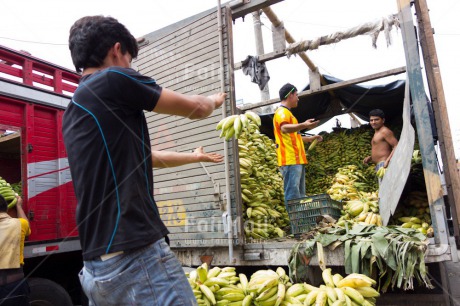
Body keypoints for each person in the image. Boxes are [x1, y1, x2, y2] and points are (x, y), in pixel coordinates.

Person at [62, 16, 226, 306]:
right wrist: (214, 99)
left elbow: (149, 159)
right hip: (134, 258)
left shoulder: (76, 109)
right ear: (116, 50)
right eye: (128, 58)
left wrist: (195, 156)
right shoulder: (112, 79)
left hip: (97, 269)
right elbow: (196, 109)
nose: (130, 68)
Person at [273, 83, 322, 203]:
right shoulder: (282, 113)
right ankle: (295, 221)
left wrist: (310, 139)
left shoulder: (289, 114)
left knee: (299, 196)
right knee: (293, 195)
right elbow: (284, 128)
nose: (298, 98)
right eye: (296, 95)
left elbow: (294, 136)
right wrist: (304, 124)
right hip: (290, 160)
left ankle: (300, 221)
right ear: (290, 95)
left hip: (296, 160)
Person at [0, 195, 31, 306]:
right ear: (7, 209)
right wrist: (18, 206)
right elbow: (27, 226)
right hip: (16, 287)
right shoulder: (20, 224)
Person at [363, 109, 399, 174]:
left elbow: (396, 146)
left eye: (376, 119)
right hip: (379, 165)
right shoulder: (377, 132)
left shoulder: (385, 131)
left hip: (385, 164)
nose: (373, 122)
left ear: (383, 120)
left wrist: (388, 161)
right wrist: (371, 158)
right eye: (371, 120)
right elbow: (382, 149)